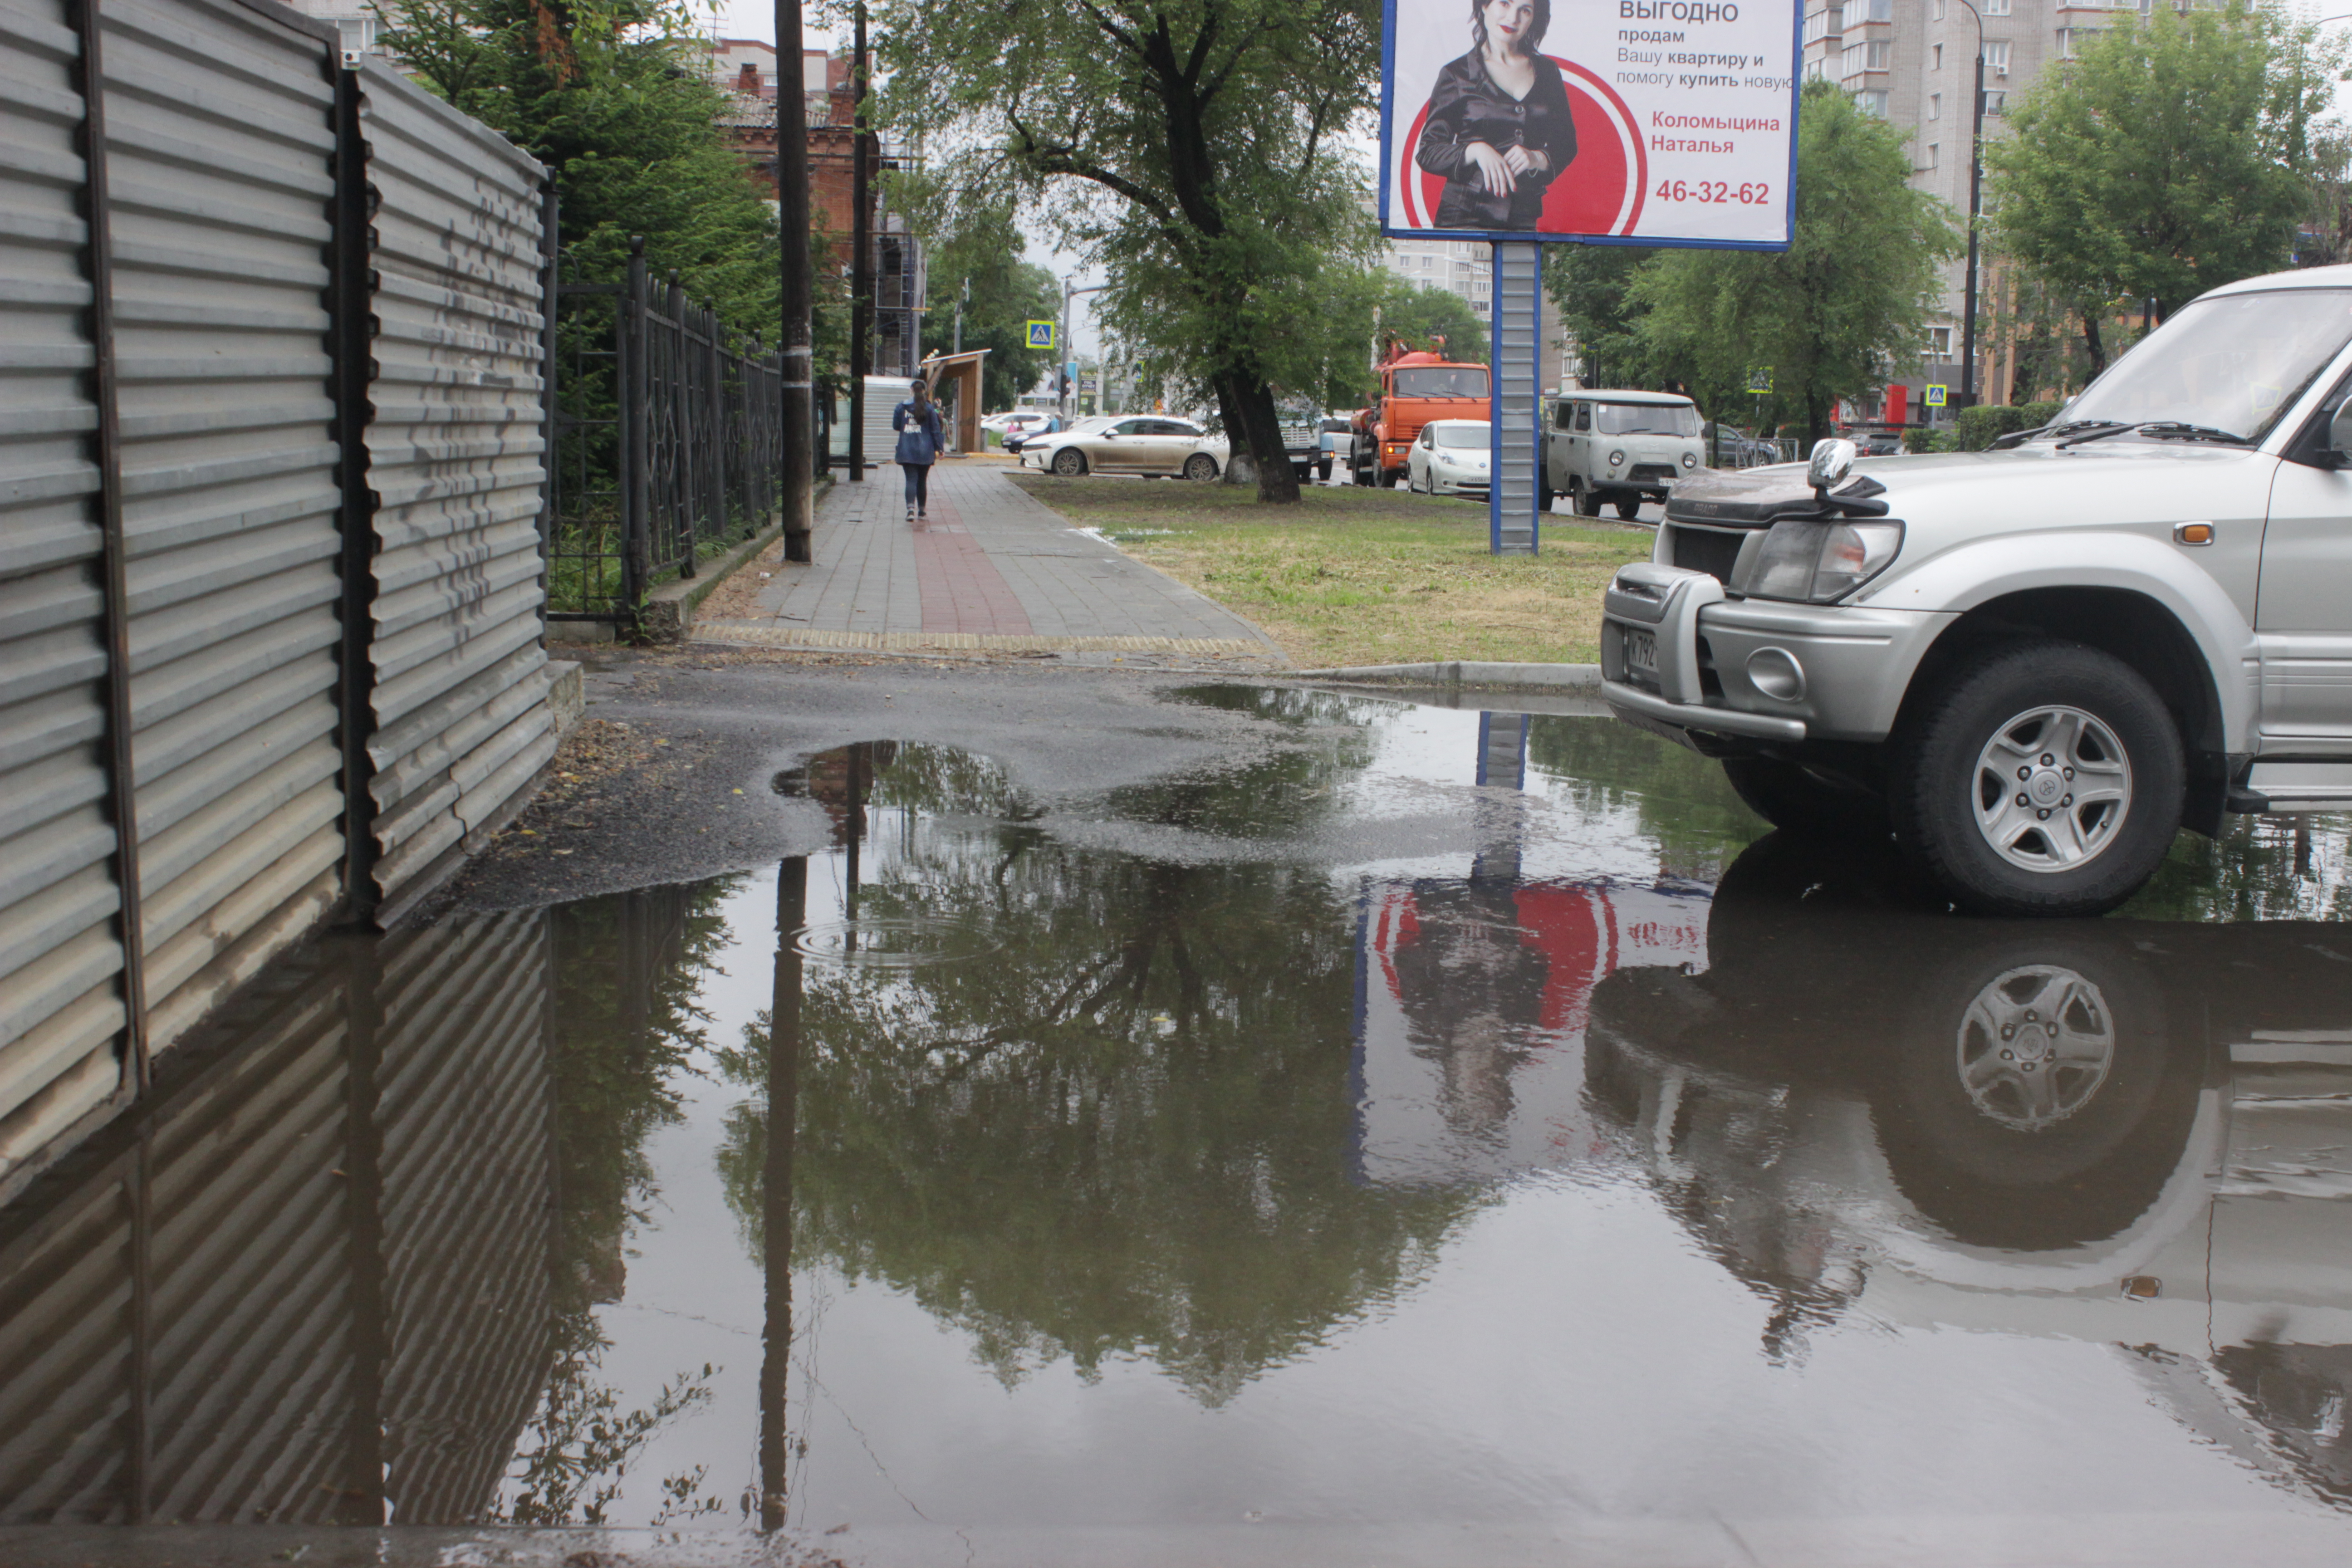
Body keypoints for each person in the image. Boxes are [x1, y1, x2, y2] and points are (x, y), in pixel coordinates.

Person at [1415, 0, 1576, 231]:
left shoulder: (1548, 72)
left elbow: (1567, 144)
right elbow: (1428, 151)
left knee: (1519, 268)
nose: (1513, 17)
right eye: (1505, 3)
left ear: (1533, 18)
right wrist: (1475, 150)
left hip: (1523, 215)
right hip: (1462, 216)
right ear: (1484, 6)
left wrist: (1538, 158)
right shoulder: (1457, 74)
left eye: (1525, 10)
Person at [892, 378, 945, 521]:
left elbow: (896, 426)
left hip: (907, 450)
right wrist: (940, 449)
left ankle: (910, 510)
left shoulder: (901, 407)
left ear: (911, 391)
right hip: (925, 451)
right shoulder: (929, 409)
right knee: (922, 481)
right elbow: (935, 430)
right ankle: (922, 511)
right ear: (924, 392)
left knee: (911, 480)